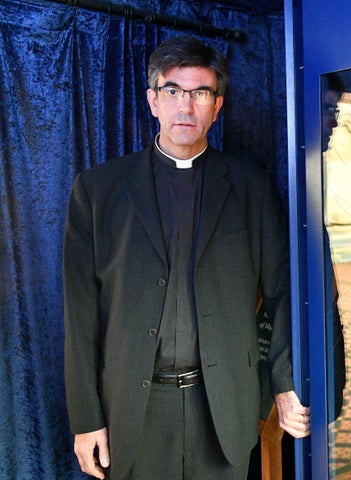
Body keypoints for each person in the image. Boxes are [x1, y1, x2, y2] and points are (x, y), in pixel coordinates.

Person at [63, 35, 310, 480]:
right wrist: (85, 420)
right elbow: (79, 316)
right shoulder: (97, 191)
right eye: (173, 91)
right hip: (132, 411)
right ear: (153, 100)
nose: (186, 106)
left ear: (217, 106)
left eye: (200, 93)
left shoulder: (251, 188)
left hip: (222, 409)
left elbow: (283, 290)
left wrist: (284, 383)